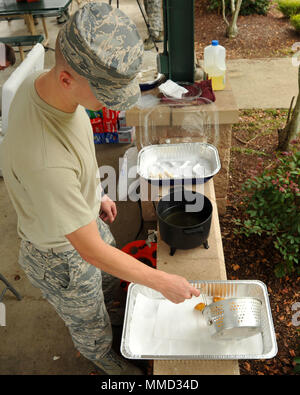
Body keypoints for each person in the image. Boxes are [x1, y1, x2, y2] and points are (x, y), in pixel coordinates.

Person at [0, 2, 200, 375]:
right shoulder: (45, 160)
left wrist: (94, 194)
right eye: (107, 93)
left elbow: (71, 164)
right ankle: (111, 364)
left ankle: (113, 315)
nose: (113, 103)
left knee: (109, 287)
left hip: (81, 217)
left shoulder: (43, 83)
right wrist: (163, 282)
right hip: (60, 258)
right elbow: (88, 250)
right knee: (92, 330)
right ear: (66, 79)